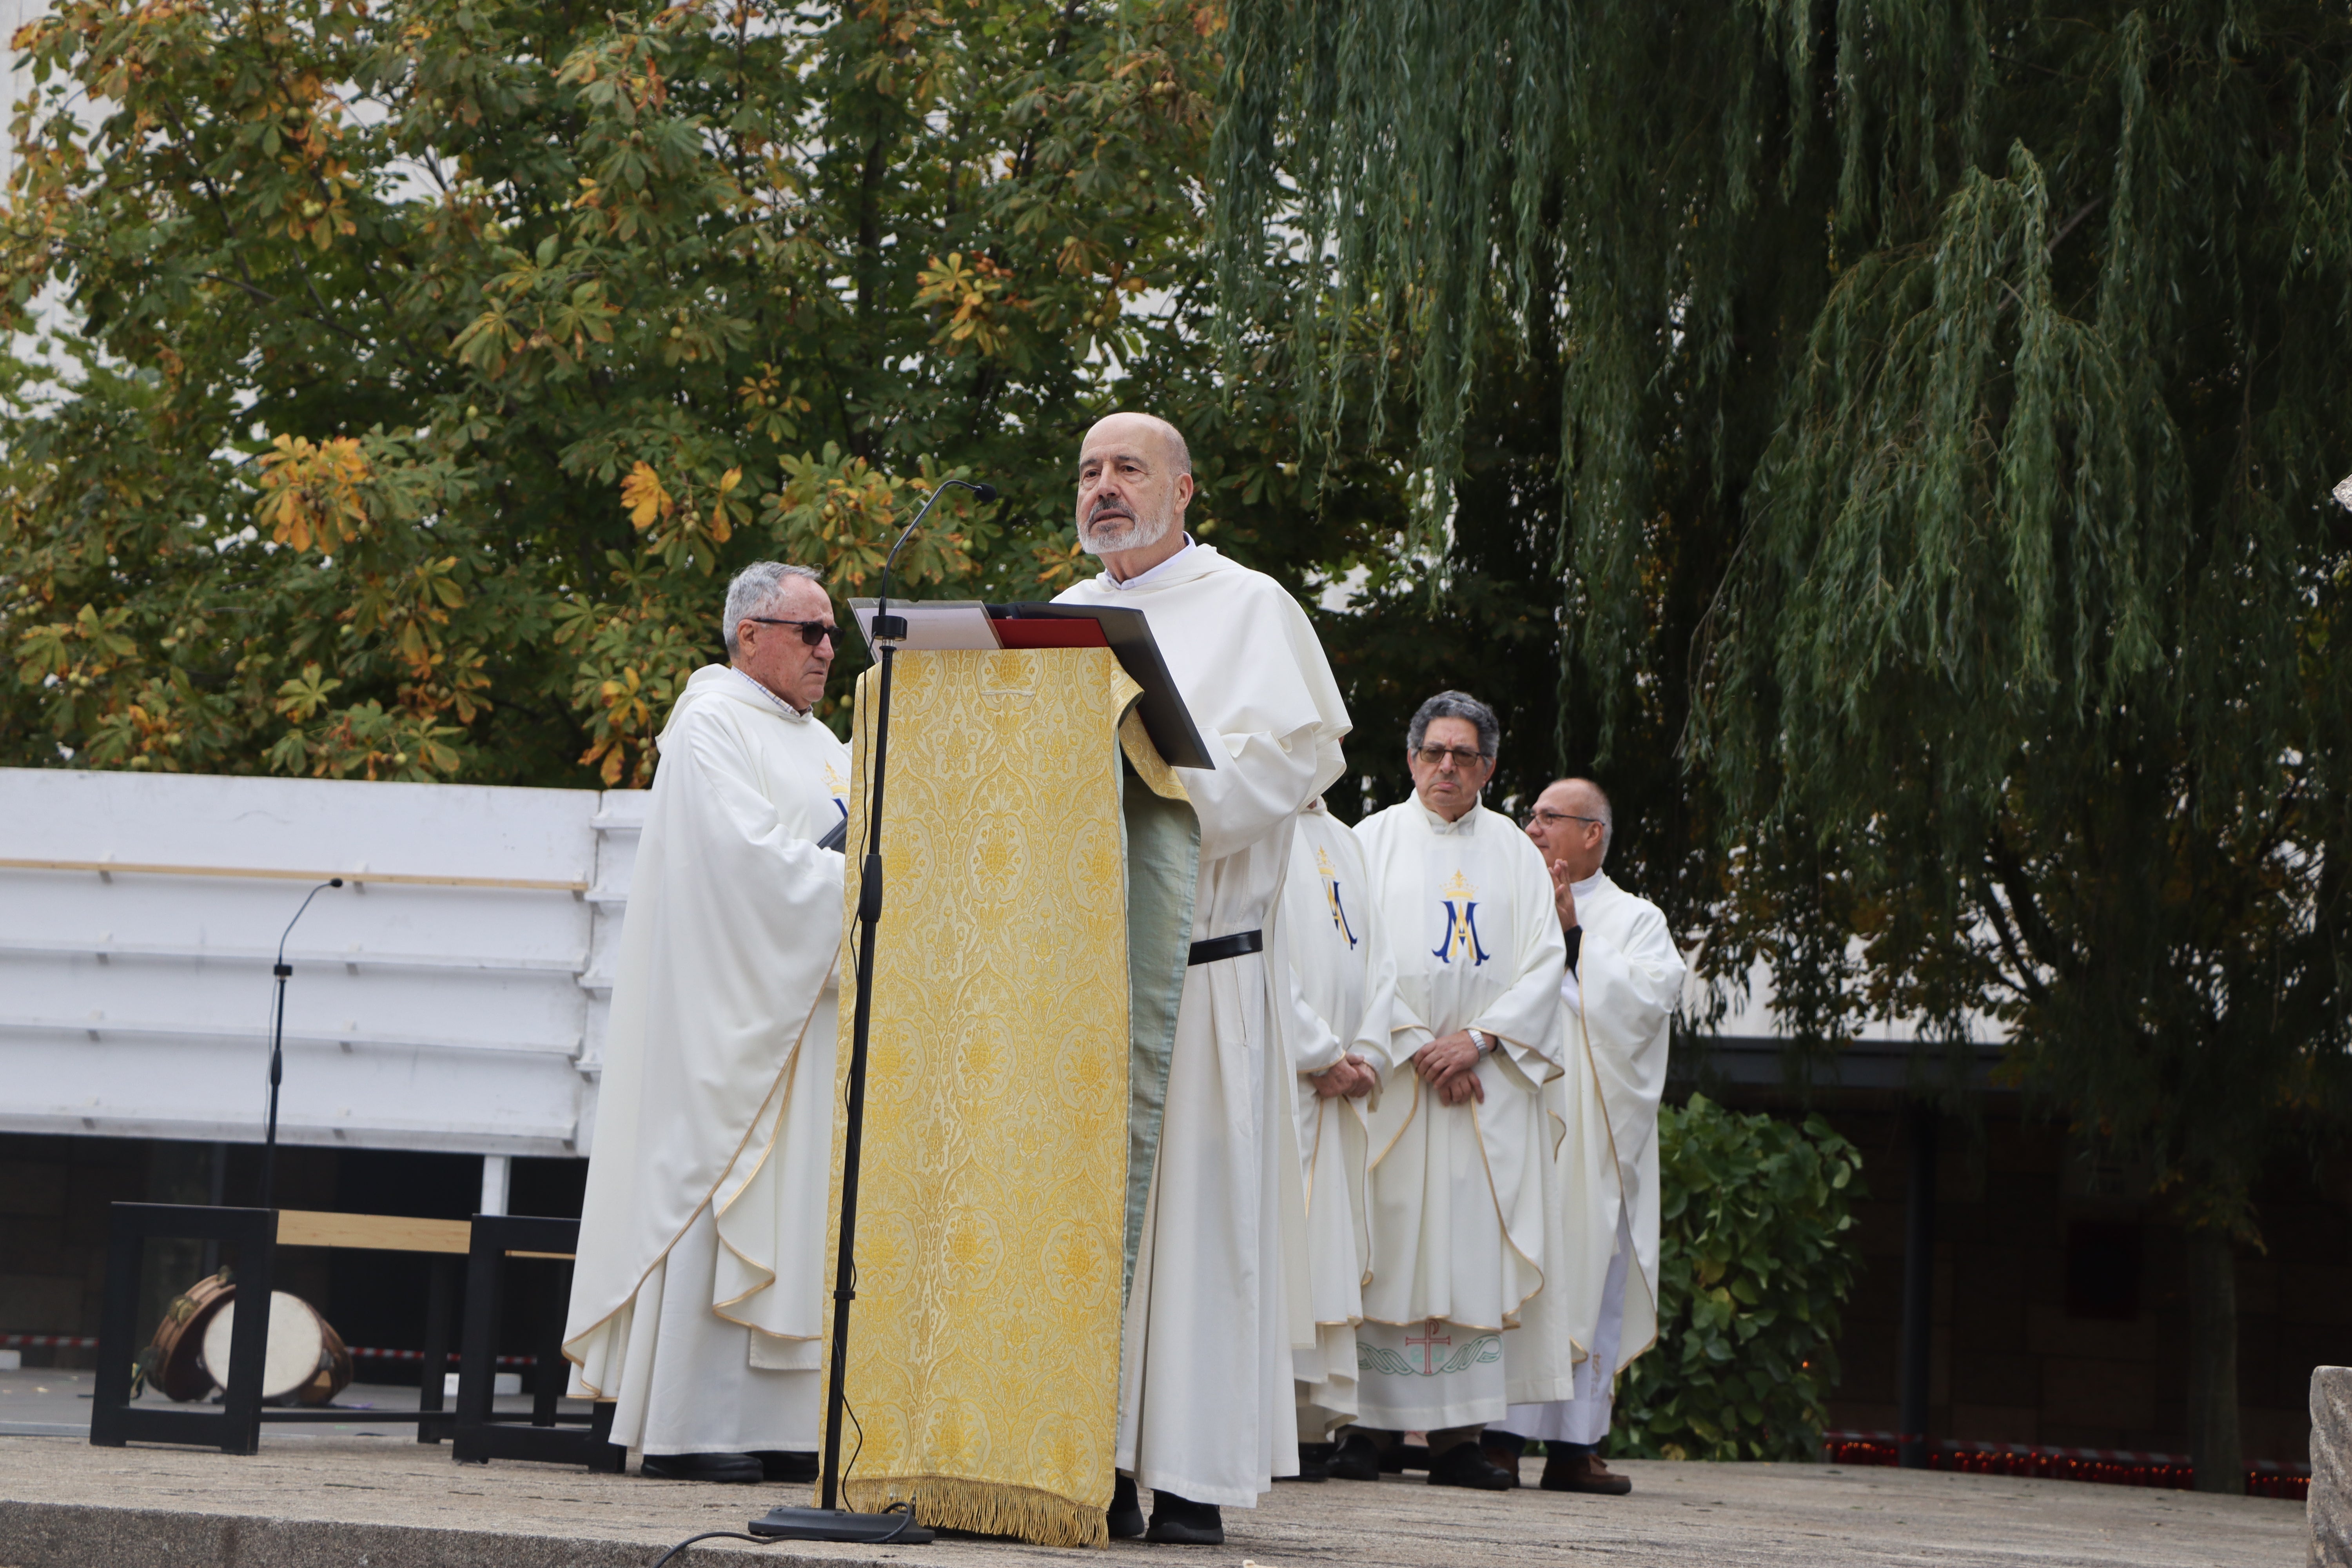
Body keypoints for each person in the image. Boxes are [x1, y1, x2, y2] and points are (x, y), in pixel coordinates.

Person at [1055, 411, 1351, 1545]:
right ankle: (1076, 1461)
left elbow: (1289, 759)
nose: (1104, 488)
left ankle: (1180, 1479)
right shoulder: (1059, 625)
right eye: (1088, 471)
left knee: (1193, 1245)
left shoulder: (1251, 608)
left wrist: (1162, 785)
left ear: (1185, 489)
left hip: (1201, 971)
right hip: (1077, 987)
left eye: (1128, 468)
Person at [561, 562, 852, 1484]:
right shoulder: (712, 720)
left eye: (834, 634)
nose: (827, 650)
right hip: (735, 1016)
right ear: (749, 633)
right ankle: (696, 1424)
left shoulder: (831, 742)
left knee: (806, 1209)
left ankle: (789, 1427)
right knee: (730, 1186)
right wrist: (859, 881)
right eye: (810, 632)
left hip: (814, 1017)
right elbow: (743, 863)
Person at [1334, 692, 1571, 1490]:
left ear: (1490, 767)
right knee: (1384, 1246)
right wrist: (1418, 1044)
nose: (1447, 766)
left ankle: (1460, 1436)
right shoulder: (1367, 844)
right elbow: (1353, 961)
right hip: (1398, 1084)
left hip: (1485, 1088)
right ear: (1410, 759)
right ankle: (1362, 1426)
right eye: (1434, 751)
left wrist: (1480, 1039)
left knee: (1472, 1248)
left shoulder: (1514, 850)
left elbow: (1546, 961)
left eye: (1464, 755)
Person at [1486, 778, 1687, 1495]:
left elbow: (1650, 1002)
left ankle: (1576, 1449)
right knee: (1520, 1260)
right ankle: (1500, 1438)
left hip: (1597, 1131)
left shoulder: (1638, 920)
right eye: (1531, 817)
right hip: (1521, 1110)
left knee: (1592, 1268)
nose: (1533, 829)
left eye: (1550, 818)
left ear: (1593, 833)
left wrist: (1574, 937)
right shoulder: (1507, 898)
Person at [1279, 795, 1394, 1470]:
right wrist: (1318, 1052)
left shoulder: (1345, 841)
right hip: (1291, 1079)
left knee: (1328, 1248)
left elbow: (1382, 961)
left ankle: (1308, 1424)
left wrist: (1369, 1055)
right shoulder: (1261, 825)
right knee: (1284, 1242)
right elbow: (1255, 946)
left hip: (1341, 1085)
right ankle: (1272, 1423)